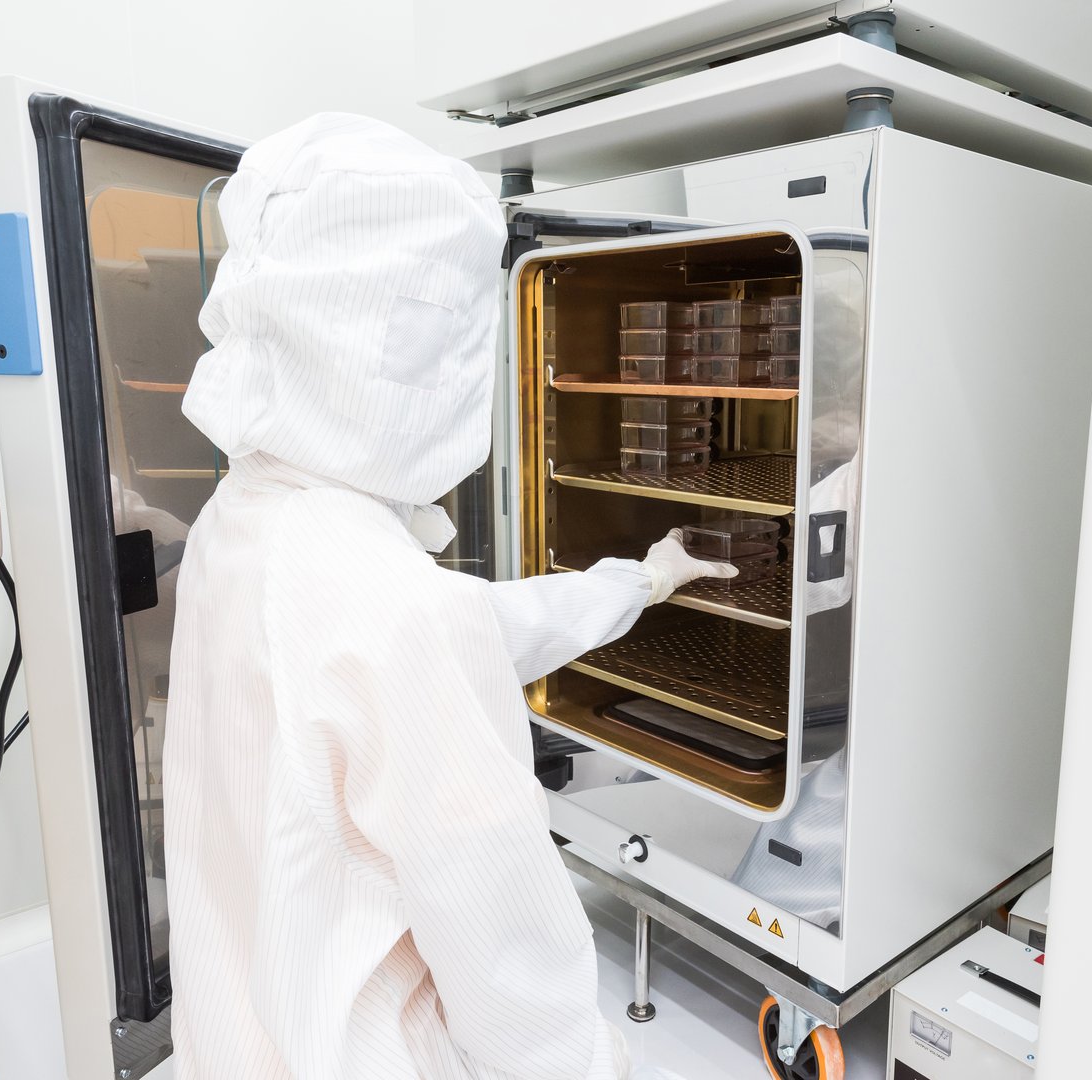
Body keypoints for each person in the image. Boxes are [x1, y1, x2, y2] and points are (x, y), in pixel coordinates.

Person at [165, 113, 734, 1080]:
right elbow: (509, 961)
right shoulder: (390, 605)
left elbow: (440, 642)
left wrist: (633, 583)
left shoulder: (246, 522)